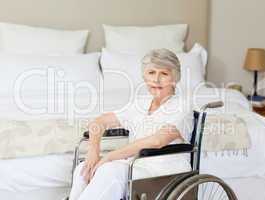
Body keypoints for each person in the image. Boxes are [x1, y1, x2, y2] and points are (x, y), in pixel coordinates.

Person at [69, 48, 194, 200]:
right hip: (136, 165)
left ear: (175, 78)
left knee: (110, 171)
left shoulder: (181, 106)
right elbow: (99, 122)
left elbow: (157, 141)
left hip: (163, 170)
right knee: (84, 168)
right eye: (151, 73)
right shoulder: (140, 104)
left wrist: (110, 157)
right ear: (144, 76)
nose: (156, 79)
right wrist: (93, 150)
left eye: (164, 74)